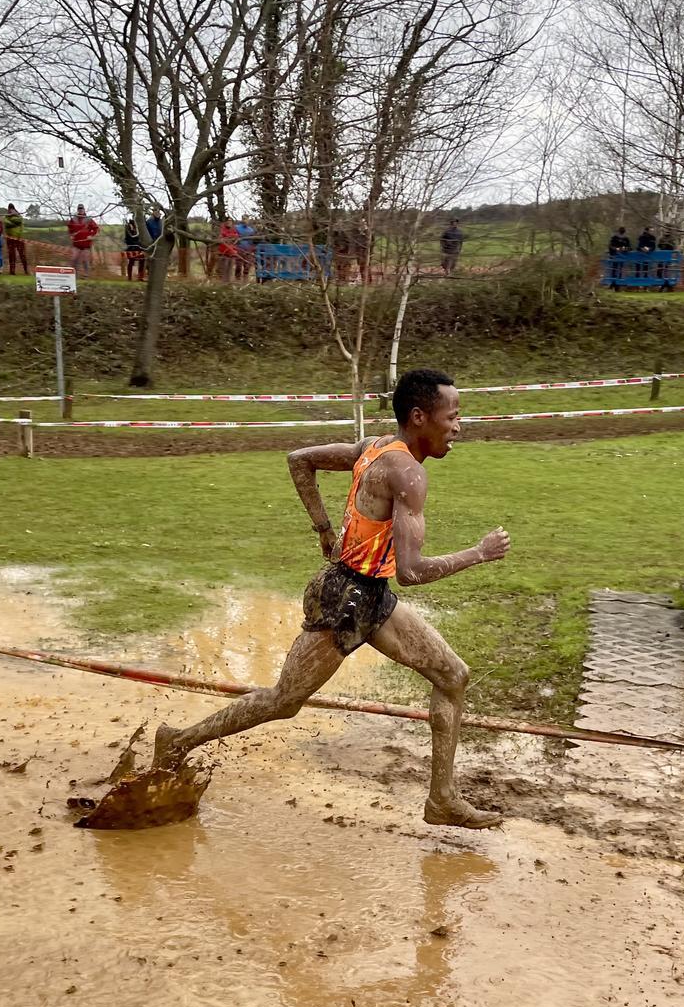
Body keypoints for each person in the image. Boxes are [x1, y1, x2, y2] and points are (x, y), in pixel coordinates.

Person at [152, 368, 511, 829]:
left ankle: (441, 799)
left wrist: (325, 529)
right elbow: (413, 571)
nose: (458, 426)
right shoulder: (407, 473)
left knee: (453, 676)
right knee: (284, 701)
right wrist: (478, 553)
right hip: (344, 598)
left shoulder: (373, 445)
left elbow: (299, 459)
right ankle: (177, 741)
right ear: (420, 417)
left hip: (372, 595)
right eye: (453, 415)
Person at [67, 204, 100, 276]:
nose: (80, 210)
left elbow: (96, 229)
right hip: (76, 243)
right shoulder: (73, 219)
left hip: (86, 244)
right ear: (77, 210)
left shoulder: (88, 219)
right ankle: (74, 274)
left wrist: (92, 236)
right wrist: (71, 235)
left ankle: (86, 274)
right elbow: (70, 229)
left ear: (84, 210)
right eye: (79, 209)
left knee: (85, 259)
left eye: (82, 209)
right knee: (74, 258)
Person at [3, 204, 28, 275]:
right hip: (10, 239)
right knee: (11, 255)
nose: (11, 210)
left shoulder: (19, 216)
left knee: (22, 255)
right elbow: (6, 223)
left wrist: (13, 220)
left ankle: (26, 270)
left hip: (19, 238)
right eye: (10, 209)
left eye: (12, 209)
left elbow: (19, 221)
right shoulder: (6, 217)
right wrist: (14, 224)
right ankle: (12, 271)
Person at [234, 214, 257, 281]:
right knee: (238, 265)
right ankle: (237, 279)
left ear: (248, 220)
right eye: (243, 219)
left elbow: (253, 241)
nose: (245, 220)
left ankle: (245, 279)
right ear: (242, 219)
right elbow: (233, 237)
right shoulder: (237, 227)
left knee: (247, 265)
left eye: (246, 219)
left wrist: (252, 250)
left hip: (248, 250)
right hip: (239, 248)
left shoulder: (251, 230)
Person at [217, 218, 240, 283]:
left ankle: (229, 283)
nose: (229, 222)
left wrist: (232, 239)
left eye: (230, 221)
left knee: (230, 270)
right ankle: (223, 284)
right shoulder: (222, 229)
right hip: (224, 253)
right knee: (224, 269)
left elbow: (237, 238)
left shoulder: (234, 230)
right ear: (225, 222)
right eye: (228, 221)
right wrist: (229, 238)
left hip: (232, 253)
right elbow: (221, 239)